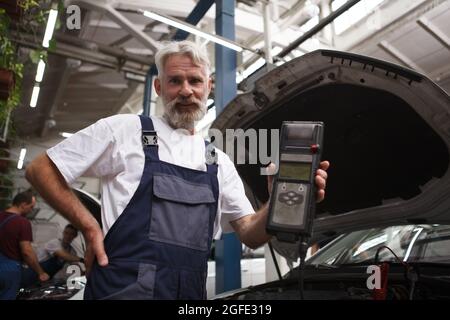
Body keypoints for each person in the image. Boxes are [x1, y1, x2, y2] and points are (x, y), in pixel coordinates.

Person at [25, 40, 329, 300]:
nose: (186, 91)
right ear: (159, 87)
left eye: (195, 81)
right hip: (121, 290)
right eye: (175, 81)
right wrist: (91, 228)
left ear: (209, 87)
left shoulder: (218, 161)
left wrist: (278, 202)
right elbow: (41, 169)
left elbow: (250, 233)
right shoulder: (124, 130)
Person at [0, 190, 49, 300]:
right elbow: (27, 252)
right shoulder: (22, 222)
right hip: (8, 271)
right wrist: (40, 272)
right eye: (31, 207)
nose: (31, 210)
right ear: (23, 205)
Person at [20, 224, 84, 288]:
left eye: (71, 234)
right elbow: (63, 255)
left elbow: (75, 265)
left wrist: (83, 274)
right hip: (32, 272)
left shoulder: (72, 252)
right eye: (66, 233)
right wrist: (83, 260)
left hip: (45, 278)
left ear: (75, 236)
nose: (68, 236)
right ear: (63, 232)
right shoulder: (54, 242)